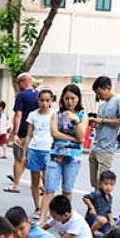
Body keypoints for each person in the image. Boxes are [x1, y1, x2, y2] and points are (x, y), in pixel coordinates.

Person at [44, 84, 88, 219]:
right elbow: (54, 133)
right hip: (56, 155)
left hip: (73, 157)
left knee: (67, 188)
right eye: (67, 98)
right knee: (49, 188)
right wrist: (72, 139)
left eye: (73, 98)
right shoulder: (56, 114)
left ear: (78, 99)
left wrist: (75, 120)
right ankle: (42, 218)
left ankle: (65, 217)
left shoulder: (82, 115)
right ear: (62, 99)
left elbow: (81, 136)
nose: (69, 102)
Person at [89, 76, 120, 188]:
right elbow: (101, 124)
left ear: (108, 88)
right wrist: (94, 123)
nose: (99, 96)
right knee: (94, 183)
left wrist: (102, 120)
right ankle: (95, 204)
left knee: (103, 185)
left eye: (100, 93)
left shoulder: (119, 100)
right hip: (95, 146)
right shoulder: (102, 105)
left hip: (106, 149)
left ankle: (101, 205)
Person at [23, 88, 56, 219]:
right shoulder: (32, 115)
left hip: (48, 150)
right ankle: (37, 207)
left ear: (51, 101)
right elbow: (29, 134)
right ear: (37, 100)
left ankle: (45, 208)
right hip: (34, 149)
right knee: (35, 181)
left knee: (49, 183)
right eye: (41, 100)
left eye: (47, 100)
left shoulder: (54, 114)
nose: (44, 103)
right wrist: (25, 153)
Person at [5, 72, 38, 195]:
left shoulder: (21, 96)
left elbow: (18, 115)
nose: (17, 85)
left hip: (24, 131)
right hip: (37, 133)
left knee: (19, 158)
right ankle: (40, 185)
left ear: (24, 82)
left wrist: (15, 133)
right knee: (35, 159)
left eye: (18, 83)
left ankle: (16, 184)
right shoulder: (39, 94)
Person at [83, 170, 116, 235]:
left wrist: (112, 221)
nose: (108, 187)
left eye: (111, 184)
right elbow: (85, 198)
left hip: (103, 220)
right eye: (106, 184)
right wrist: (92, 208)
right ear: (100, 183)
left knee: (111, 232)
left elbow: (109, 211)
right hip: (93, 218)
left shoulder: (110, 197)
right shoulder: (97, 193)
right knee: (102, 220)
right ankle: (89, 233)